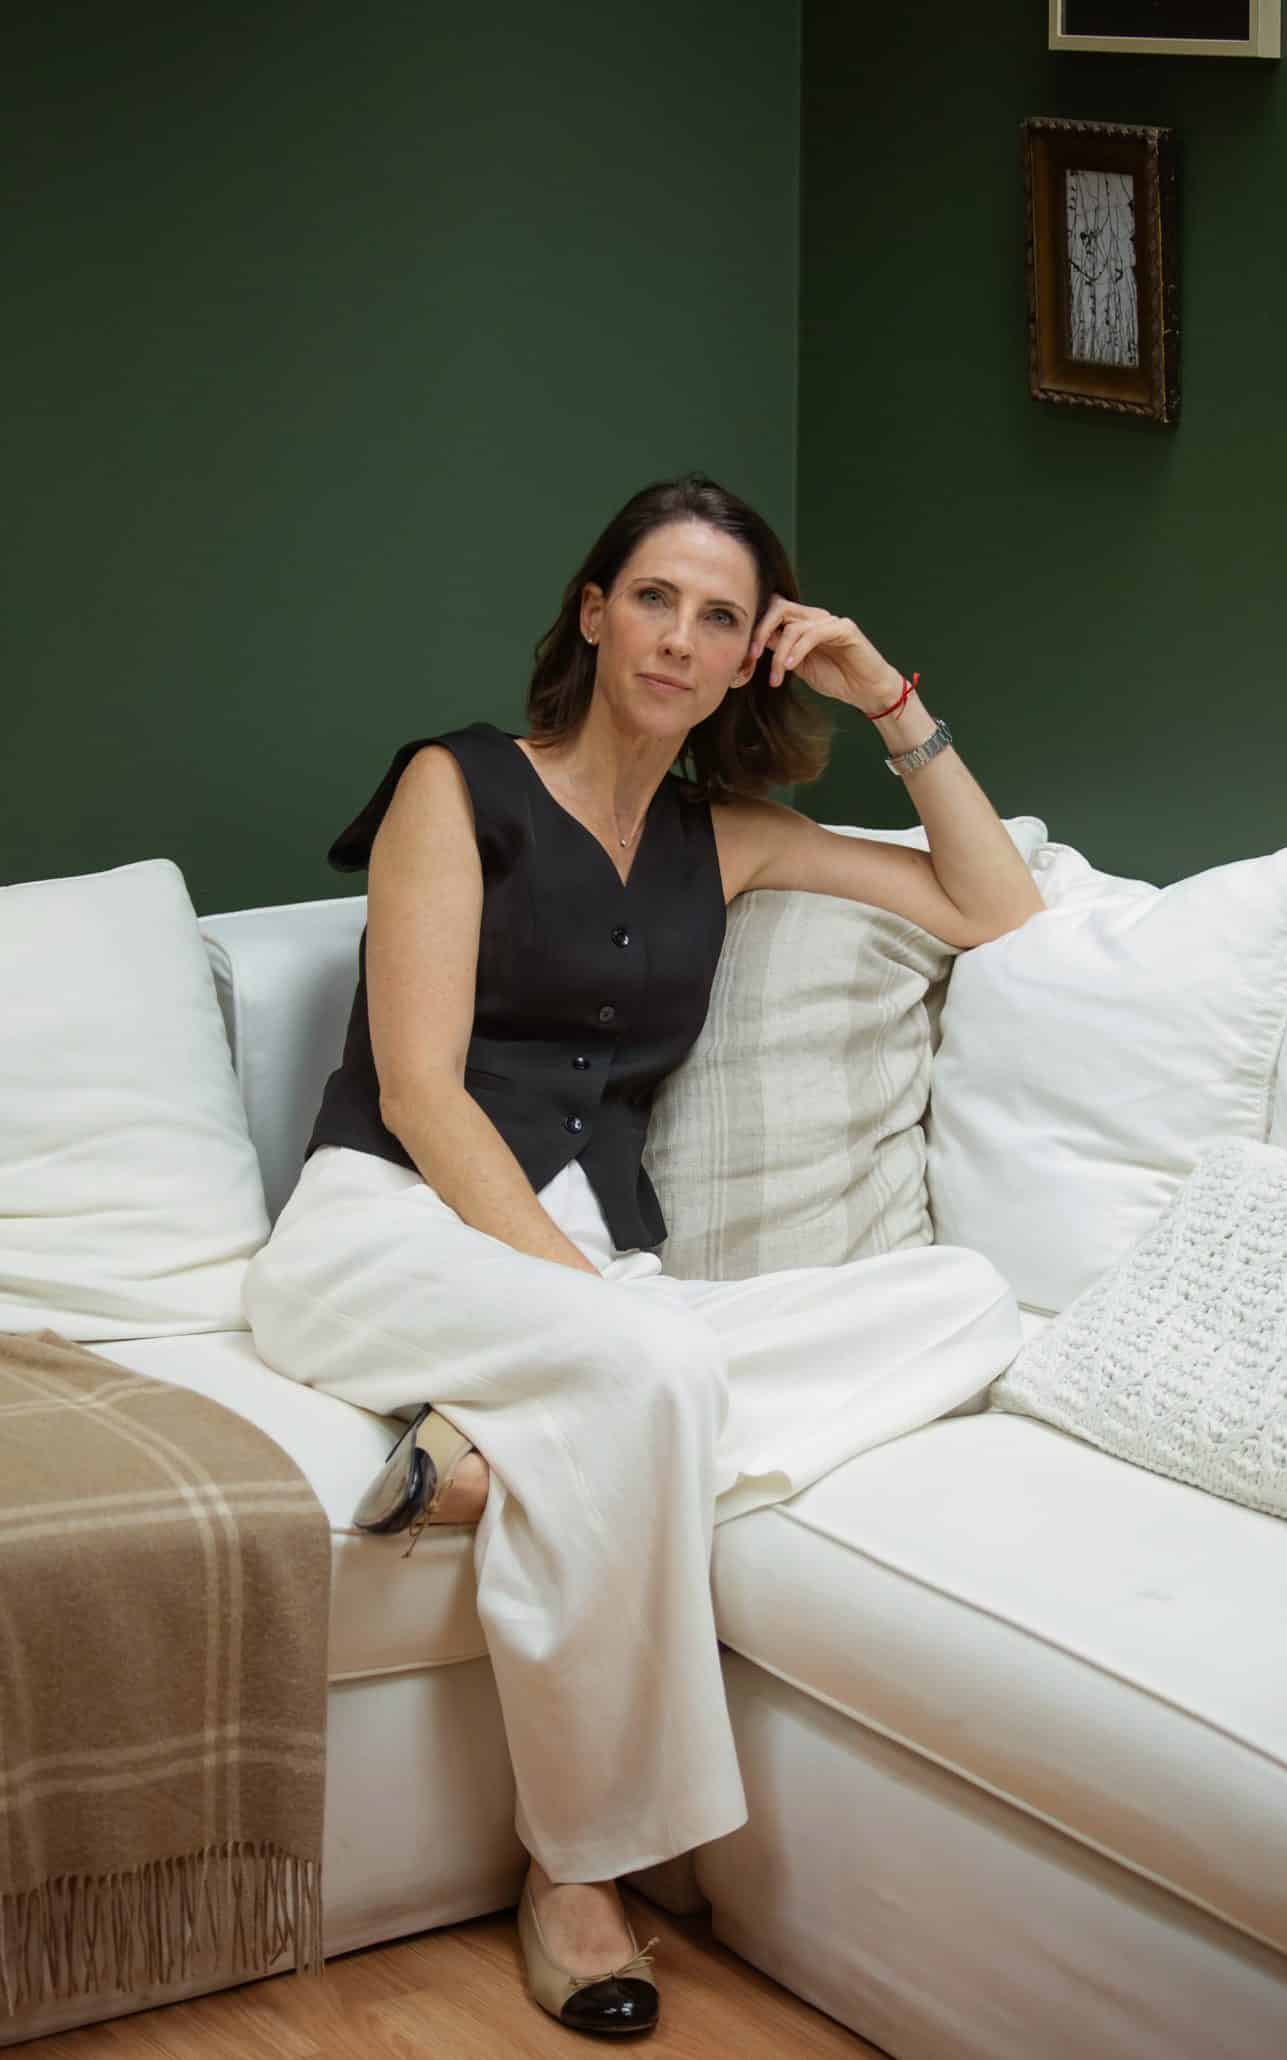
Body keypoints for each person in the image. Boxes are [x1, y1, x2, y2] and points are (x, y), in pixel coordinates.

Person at [242, 471, 1043, 2038]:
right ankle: (581, 1874)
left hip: (596, 1281)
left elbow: (994, 911)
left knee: (968, 1298)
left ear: (754, 652)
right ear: (595, 613)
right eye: (655, 597)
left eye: (722, 614)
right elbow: (417, 1089)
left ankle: (496, 1438)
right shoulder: (452, 786)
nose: (680, 634)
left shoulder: (727, 839)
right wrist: (585, 1308)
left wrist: (883, 696)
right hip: (391, 1223)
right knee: (650, 1362)